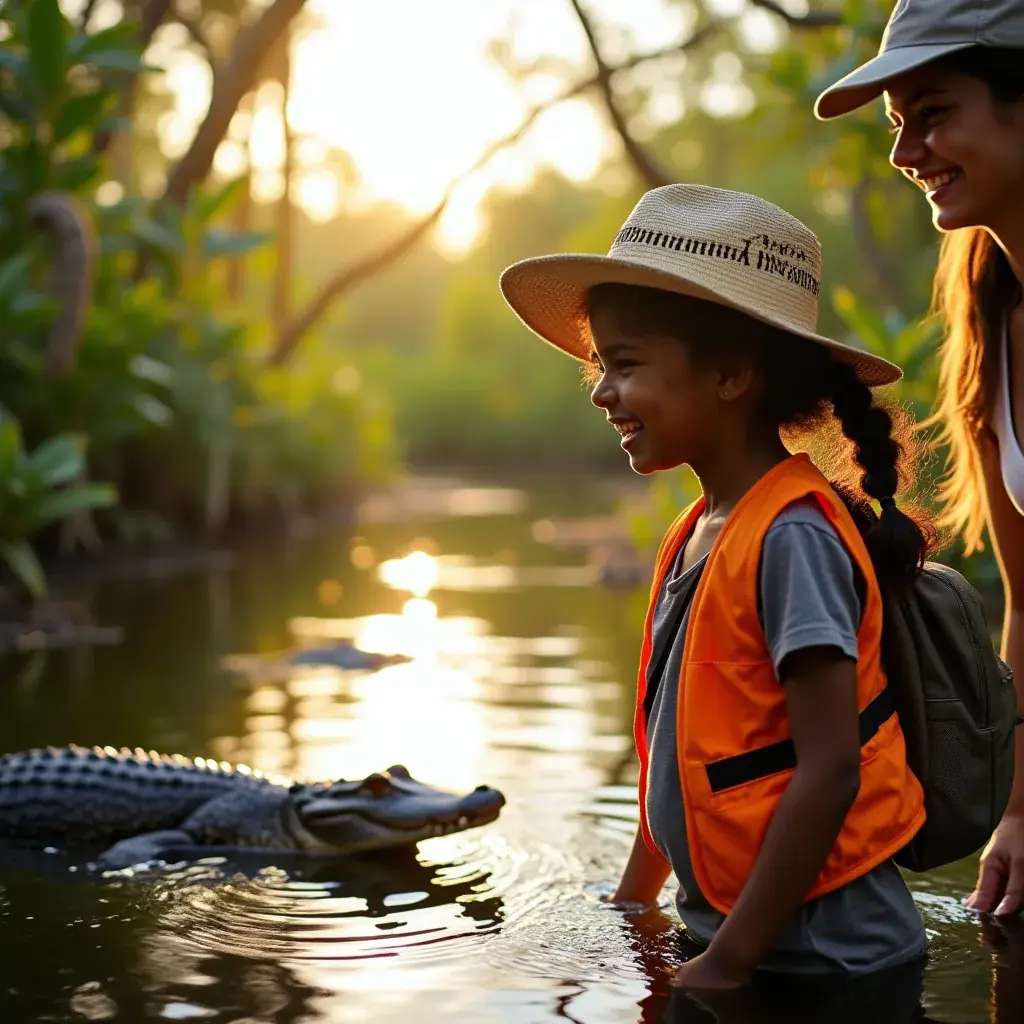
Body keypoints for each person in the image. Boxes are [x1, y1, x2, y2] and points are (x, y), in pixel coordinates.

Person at [499, 185, 934, 988]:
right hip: (745, 946)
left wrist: (726, 964)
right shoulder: (698, 531)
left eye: (624, 365)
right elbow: (686, 752)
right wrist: (633, 907)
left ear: (731, 374)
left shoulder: (792, 537)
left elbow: (832, 767)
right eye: (600, 366)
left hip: (830, 965)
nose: (600, 392)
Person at [815, 0, 1024, 918]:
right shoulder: (990, 327)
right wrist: (1016, 811)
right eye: (900, 125)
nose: (905, 153)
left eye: (933, 113)